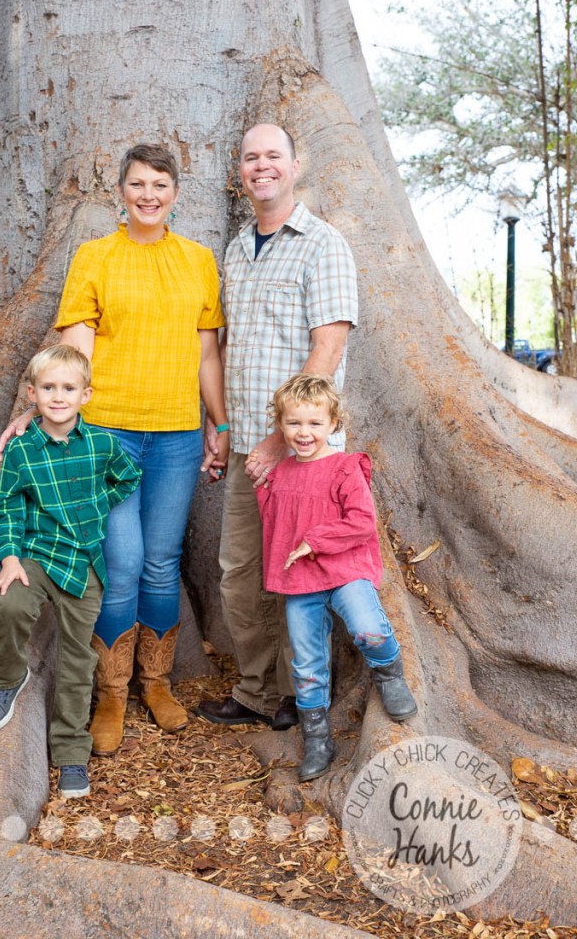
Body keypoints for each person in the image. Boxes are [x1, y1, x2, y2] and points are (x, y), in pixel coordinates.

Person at [0, 143, 229, 753]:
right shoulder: (94, 257)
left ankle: (155, 683)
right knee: (121, 564)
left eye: (160, 184)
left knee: (160, 562)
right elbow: (74, 352)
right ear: (119, 192)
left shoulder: (199, 261)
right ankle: (111, 693)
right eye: (137, 184)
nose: (148, 195)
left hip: (178, 434)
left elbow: (207, 353)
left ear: (176, 193)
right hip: (108, 436)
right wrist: (39, 407)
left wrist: (220, 423)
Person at [197, 123, 358, 731]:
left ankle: (303, 695)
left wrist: (275, 437)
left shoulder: (324, 244)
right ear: (240, 172)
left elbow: (328, 350)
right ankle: (257, 690)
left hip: (303, 453)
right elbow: (231, 350)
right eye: (250, 158)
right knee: (240, 575)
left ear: (296, 164)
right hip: (246, 451)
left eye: (273, 156)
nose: (261, 166)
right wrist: (227, 431)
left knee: (301, 574)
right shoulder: (237, 250)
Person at [0, 344, 142, 799]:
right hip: (35, 556)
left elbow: (128, 478)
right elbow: (6, 510)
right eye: (48, 388)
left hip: (83, 564)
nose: (58, 396)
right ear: (32, 393)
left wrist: (98, 506)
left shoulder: (103, 444)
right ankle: (5, 680)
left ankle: (71, 752)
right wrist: (9, 557)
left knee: (76, 660)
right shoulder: (21, 452)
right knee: (9, 603)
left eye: (68, 388)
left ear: (85, 394)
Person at [256, 373, 417, 781]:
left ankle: (389, 674)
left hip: (345, 571)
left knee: (368, 629)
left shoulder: (346, 468)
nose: (303, 432)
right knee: (307, 661)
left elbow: (362, 522)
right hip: (301, 584)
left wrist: (315, 540)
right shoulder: (281, 473)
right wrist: (261, 488)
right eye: (293, 423)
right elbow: (277, 523)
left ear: (333, 424)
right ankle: (317, 739)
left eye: (314, 423)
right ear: (280, 424)